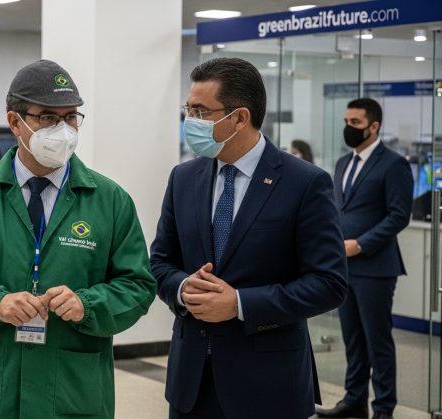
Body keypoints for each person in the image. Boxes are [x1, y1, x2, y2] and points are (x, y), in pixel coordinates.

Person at [0, 59, 156, 418]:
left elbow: (138, 285)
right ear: (15, 121)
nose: (62, 129)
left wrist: (88, 304)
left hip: (73, 393)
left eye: (71, 117)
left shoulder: (110, 201)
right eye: (48, 117)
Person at [150, 57, 348, 419]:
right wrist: (181, 288)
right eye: (187, 109)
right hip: (190, 383)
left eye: (200, 111)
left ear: (239, 118)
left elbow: (329, 283)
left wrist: (240, 303)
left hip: (268, 386)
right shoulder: (183, 178)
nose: (189, 121)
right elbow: (160, 261)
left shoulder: (305, 183)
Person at [316, 98, 413, 419]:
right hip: (343, 267)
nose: (349, 127)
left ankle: (383, 407)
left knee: (378, 341)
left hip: (375, 267)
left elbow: (398, 215)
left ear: (374, 126)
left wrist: (361, 244)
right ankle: (353, 400)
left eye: (355, 122)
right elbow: (337, 210)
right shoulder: (343, 163)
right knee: (353, 339)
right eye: (347, 120)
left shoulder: (393, 164)